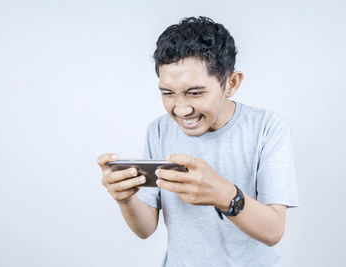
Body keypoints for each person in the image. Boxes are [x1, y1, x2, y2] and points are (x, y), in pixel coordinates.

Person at [97, 16, 298, 266]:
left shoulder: (268, 128)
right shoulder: (159, 130)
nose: (181, 110)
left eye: (195, 92)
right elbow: (146, 228)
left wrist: (223, 194)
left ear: (231, 83)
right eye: (168, 93)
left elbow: (273, 231)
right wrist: (125, 199)